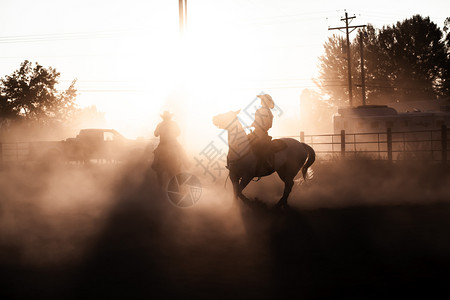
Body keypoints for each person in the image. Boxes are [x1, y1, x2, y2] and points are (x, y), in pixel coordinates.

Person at [250, 94, 275, 174]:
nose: (261, 101)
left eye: (262, 100)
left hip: (263, 133)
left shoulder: (268, 112)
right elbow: (255, 121)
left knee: (260, 146)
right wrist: (253, 124)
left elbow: (269, 124)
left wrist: (261, 126)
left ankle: (266, 162)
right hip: (255, 132)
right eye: (261, 100)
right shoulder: (258, 111)